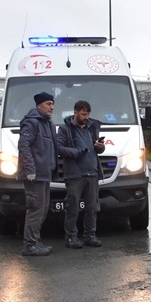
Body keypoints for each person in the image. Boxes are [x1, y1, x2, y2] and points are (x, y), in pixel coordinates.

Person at [17, 92, 68, 256]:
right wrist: (30, 169)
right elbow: (24, 145)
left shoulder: (48, 124)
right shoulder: (32, 123)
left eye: (53, 104)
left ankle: (35, 240)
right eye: (48, 104)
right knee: (35, 210)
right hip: (35, 176)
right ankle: (29, 245)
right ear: (39, 105)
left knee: (43, 209)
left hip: (45, 174)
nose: (51, 107)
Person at [57, 99, 106, 249]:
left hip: (92, 173)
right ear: (76, 112)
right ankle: (71, 236)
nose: (86, 117)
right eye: (83, 114)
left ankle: (90, 235)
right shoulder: (65, 129)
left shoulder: (92, 128)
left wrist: (100, 147)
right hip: (74, 174)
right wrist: (77, 153)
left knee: (92, 207)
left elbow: (99, 150)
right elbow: (59, 147)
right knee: (72, 206)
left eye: (87, 114)